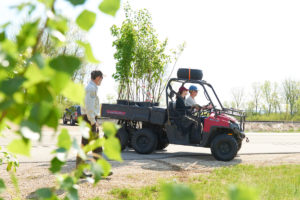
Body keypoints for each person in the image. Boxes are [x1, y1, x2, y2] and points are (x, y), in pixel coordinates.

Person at [76, 70, 112, 177]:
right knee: (86, 145)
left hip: (89, 119)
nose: (102, 80)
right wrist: (93, 121)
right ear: (97, 77)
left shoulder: (91, 88)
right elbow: (89, 107)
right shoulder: (91, 89)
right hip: (89, 120)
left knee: (95, 146)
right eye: (101, 78)